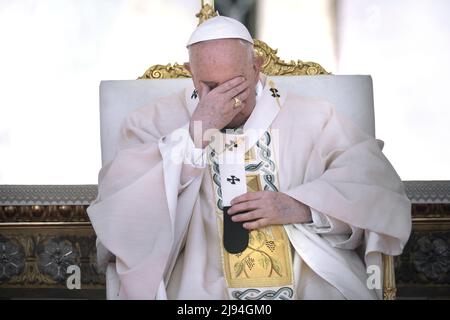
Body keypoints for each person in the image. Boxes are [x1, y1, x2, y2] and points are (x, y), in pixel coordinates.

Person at [87, 16, 411, 300]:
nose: (227, 100)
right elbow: (122, 210)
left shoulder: (313, 117)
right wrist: (195, 136)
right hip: (199, 276)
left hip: (305, 274)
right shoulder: (150, 122)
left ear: (256, 68)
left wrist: (300, 205)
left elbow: (373, 181)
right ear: (190, 73)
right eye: (211, 87)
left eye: (236, 84)